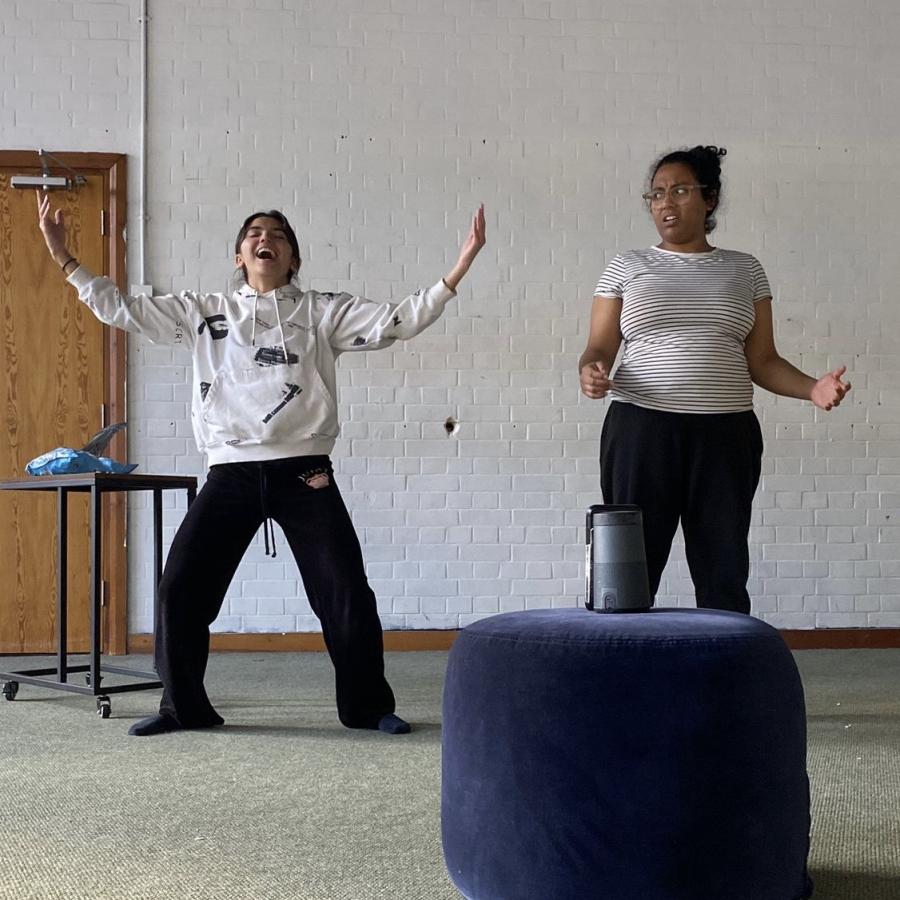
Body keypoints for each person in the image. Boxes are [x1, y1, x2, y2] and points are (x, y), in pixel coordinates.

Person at [37, 192, 486, 736]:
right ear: (238, 257)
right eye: (253, 233)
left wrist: (457, 269)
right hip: (231, 472)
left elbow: (398, 320)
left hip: (305, 471)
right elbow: (122, 309)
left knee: (345, 592)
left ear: (293, 258)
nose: (263, 239)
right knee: (180, 587)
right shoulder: (201, 313)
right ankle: (183, 708)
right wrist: (64, 258)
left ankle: (368, 707)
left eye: (276, 234)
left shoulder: (322, 311)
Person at [579, 145, 850, 614]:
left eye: (680, 190)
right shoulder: (627, 266)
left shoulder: (745, 270)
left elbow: (762, 360)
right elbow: (599, 346)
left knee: (723, 566)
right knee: (628, 569)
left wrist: (812, 388)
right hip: (641, 430)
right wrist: (592, 369)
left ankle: (723, 681)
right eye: (657, 193)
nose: (666, 202)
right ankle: (623, 677)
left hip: (725, 435)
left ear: (710, 198)